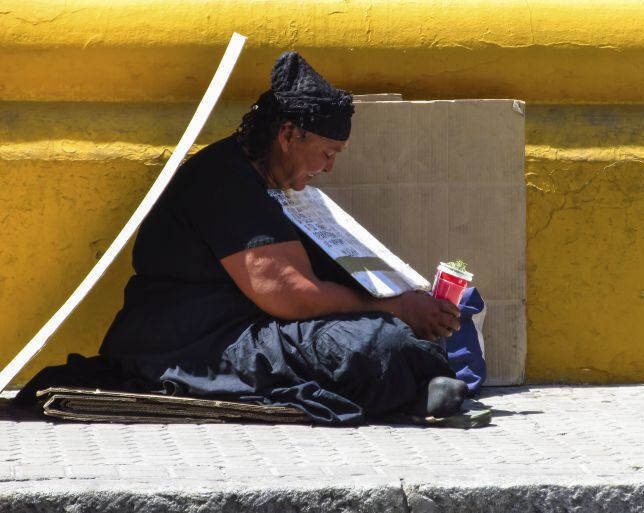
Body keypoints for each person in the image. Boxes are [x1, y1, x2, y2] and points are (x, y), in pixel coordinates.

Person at [95, 51, 468, 424]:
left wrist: (403, 296)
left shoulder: (271, 181)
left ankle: (413, 383)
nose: (329, 168)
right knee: (373, 343)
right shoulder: (225, 182)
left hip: (248, 324)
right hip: (193, 341)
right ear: (289, 135)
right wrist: (394, 308)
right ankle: (411, 386)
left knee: (382, 335)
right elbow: (293, 296)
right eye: (326, 153)